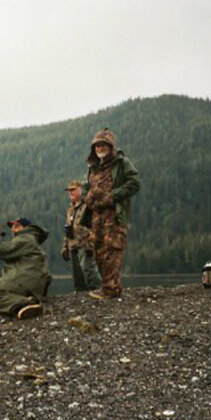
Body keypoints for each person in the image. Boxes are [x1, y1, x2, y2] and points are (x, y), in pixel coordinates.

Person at [83, 128, 140, 299]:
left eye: (103, 145)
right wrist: (87, 197)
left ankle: (111, 289)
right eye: (97, 145)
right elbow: (85, 186)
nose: (100, 148)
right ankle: (108, 287)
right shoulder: (93, 168)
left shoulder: (122, 163)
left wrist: (113, 195)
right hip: (95, 218)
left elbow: (134, 182)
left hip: (113, 217)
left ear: (111, 146)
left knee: (112, 250)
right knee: (98, 250)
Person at [0, 218, 52, 319]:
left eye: (16, 226)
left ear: (26, 228)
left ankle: (26, 304)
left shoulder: (25, 238)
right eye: (12, 227)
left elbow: (0, 251)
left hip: (26, 278)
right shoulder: (29, 239)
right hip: (31, 279)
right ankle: (24, 302)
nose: (13, 230)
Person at [61, 179, 101, 292]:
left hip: (85, 245)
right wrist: (65, 246)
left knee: (89, 272)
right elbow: (68, 228)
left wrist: (91, 244)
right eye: (69, 190)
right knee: (78, 278)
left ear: (80, 189)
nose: (70, 193)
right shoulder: (70, 209)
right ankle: (80, 299)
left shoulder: (87, 206)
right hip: (73, 246)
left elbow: (96, 226)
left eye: (73, 190)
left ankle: (99, 294)